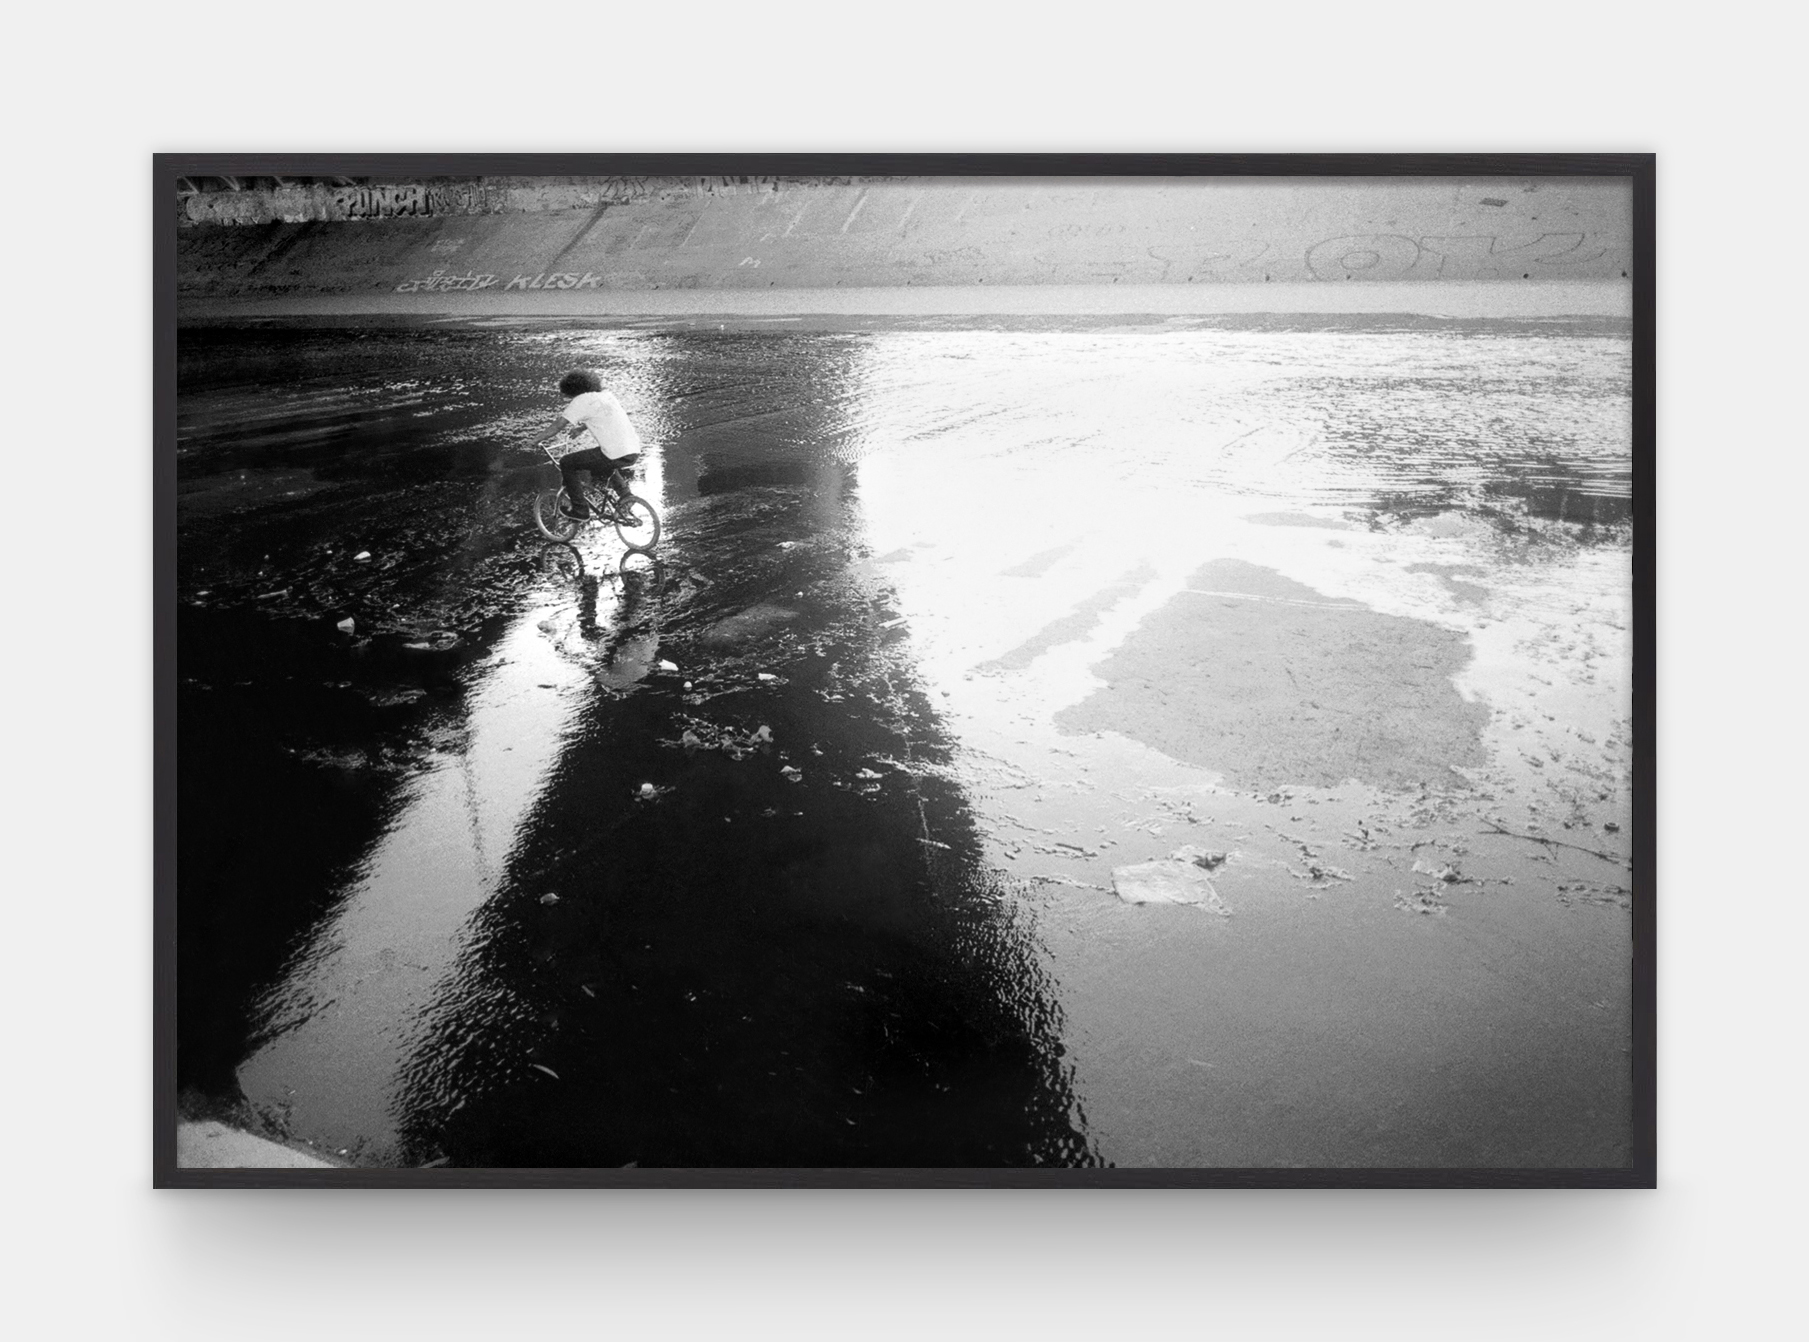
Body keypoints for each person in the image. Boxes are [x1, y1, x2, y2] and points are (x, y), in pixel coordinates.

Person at [533, 369, 644, 520]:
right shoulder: (607, 395)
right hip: (633, 450)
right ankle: (625, 495)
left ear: (571, 389)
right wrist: (581, 428)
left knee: (567, 462)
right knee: (604, 461)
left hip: (614, 453)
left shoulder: (580, 401)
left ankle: (580, 510)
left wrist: (536, 439)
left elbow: (558, 426)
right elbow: (605, 415)